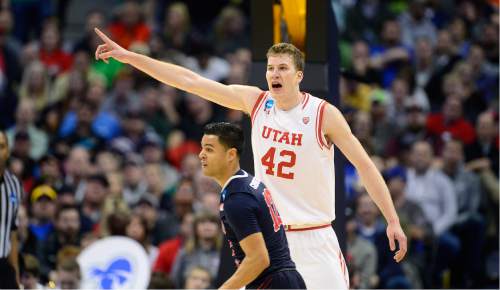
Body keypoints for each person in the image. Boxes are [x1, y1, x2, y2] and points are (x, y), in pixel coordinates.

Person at [94, 29, 407, 289]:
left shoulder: (324, 114)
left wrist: (392, 219)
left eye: (282, 68)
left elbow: (365, 166)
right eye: (270, 68)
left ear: (299, 74)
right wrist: (129, 57)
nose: (274, 74)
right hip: (270, 240)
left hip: (316, 236)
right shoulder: (255, 101)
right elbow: (190, 81)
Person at [199, 122, 305, 289]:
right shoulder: (247, 182)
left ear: (231, 155)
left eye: (209, 149)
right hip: (284, 278)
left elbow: (259, 259)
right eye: (202, 148)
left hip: (272, 282)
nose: (201, 155)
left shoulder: (237, 198)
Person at [0, 129, 22, 289]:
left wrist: (16, 273)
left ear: (8, 151)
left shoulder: (14, 184)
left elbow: (12, 232)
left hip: (3, 265)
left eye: (1, 146)